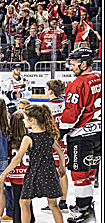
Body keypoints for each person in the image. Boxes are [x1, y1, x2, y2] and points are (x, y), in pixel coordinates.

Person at [3, 105, 69, 223]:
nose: (23, 121)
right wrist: (62, 166)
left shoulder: (28, 138)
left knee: (24, 202)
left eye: (26, 119)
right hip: (50, 173)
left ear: (32, 121)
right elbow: (60, 152)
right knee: (53, 204)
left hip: (34, 173)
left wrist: (4, 173)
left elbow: (18, 158)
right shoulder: (49, 136)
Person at [58, 47, 101, 223]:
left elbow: (72, 114)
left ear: (84, 64)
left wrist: (60, 130)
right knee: (90, 172)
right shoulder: (100, 77)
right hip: (99, 132)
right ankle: (85, 204)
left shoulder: (77, 84)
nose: (71, 67)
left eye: (74, 64)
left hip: (82, 135)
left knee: (80, 174)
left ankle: (85, 213)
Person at [3, 110, 34, 223]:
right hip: (28, 174)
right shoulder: (31, 139)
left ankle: (17, 221)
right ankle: (30, 222)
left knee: (17, 198)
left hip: (15, 175)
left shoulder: (10, 141)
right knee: (28, 200)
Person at [42, 78, 69, 213]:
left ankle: (52, 201)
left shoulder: (46, 107)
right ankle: (63, 201)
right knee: (62, 172)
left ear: (51, 91)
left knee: (50, 173)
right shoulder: (66, 105)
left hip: (51, 143)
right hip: (64, 142)